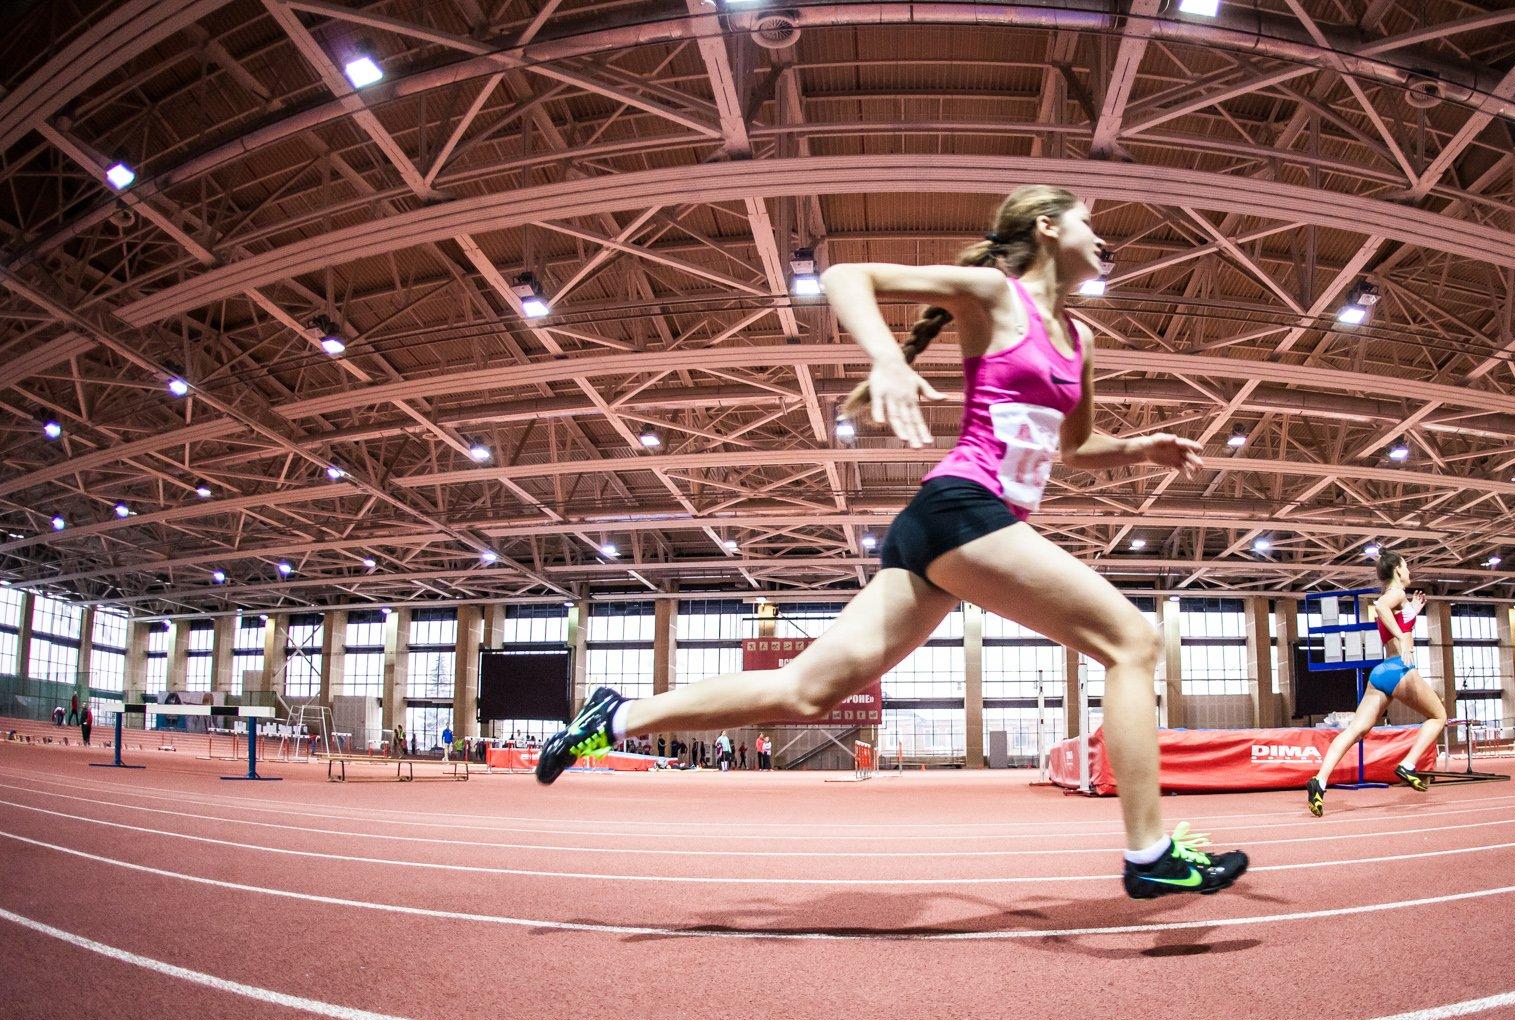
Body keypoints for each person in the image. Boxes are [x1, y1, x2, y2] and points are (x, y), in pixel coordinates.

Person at [534, 186, 1247, 897]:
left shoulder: (1082, 341)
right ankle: (1149, 853)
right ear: (1048, 226)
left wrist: (1142, 447)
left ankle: (616, 716)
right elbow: (848, 276)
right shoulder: (996, 297)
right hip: (964, 508)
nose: (1102, 237)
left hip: (946, 531)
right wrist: (887, 358)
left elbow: (1078, 446)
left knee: (805, 692)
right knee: (1132, 643)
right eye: (1090, 222)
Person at [1303, 550, 1451, 814]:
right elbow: (1382, 606)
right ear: (1397, 570)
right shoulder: (1396, 593)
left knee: (1355, 730)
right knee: (1438, 716)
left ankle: (1319, 781)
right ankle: (1408, 764)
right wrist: (1403, 638)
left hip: (1381, 673)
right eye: (1406, 566)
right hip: (1400, 669)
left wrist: (1413, 612)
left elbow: (1394, 618)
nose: (1409, 571)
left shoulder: (1400, 599)